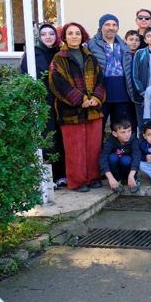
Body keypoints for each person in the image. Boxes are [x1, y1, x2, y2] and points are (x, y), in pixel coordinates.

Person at [48, 22, 105, 192]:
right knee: (75, 148)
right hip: (70, 112)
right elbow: (58, 84)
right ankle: (78, 181)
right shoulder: (59, 58)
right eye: (70, 33)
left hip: (93, 110)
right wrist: (80, 99)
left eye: (78, 33)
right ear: (64, 37)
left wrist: (96, 97)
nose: (74, 36)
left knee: (94, 147)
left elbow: (100, 79)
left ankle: (93, 177)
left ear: (83, 36)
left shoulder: (90, 57)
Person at [21, 23, 65, 186]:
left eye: (51, 34)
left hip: (60, 102)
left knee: (61, 138)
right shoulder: (33, 54)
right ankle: (49, 178)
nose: (48, 37)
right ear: (40, 36)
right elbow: (25, 78)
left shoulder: (59, 53)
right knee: (48, 138)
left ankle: (61, 175)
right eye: (44, 34)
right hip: (43, 102)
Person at [87, 14, 134, 133]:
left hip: (122, 93)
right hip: (101, 93)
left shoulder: (124, 45)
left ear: (118, 27)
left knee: (121, 129)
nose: (111, 27)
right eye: (107, 24)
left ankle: (119, 151)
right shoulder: (91, 45)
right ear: (101, 27)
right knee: (98, 129)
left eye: (114, 25)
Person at [99, 119, 142, 193]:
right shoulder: (110, 140)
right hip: (116, 171)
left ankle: (132, 179)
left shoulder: (134, 140)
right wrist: (110, 178)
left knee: (125, 159)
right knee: (112, 157)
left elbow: (137, 157)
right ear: (115, 134)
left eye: (129, 131)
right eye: (123, 132)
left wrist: (132, 175)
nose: (127, 134)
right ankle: (116, 181)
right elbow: (103, 158)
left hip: (129, 170)